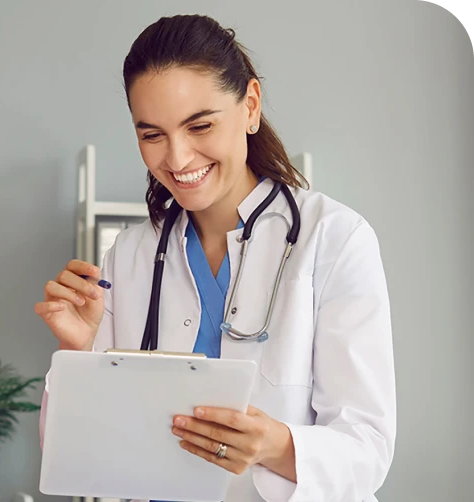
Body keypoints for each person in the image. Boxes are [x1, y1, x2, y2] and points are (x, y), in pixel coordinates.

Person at [36, 14, 395, 502]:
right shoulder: (132, 255)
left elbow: (367, 449)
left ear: (250, 106)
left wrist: (276, 446)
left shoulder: (334, 239)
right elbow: (79, 457)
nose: (178, 158)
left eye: (199, 125)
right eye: (152, 135)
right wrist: (80, 355)